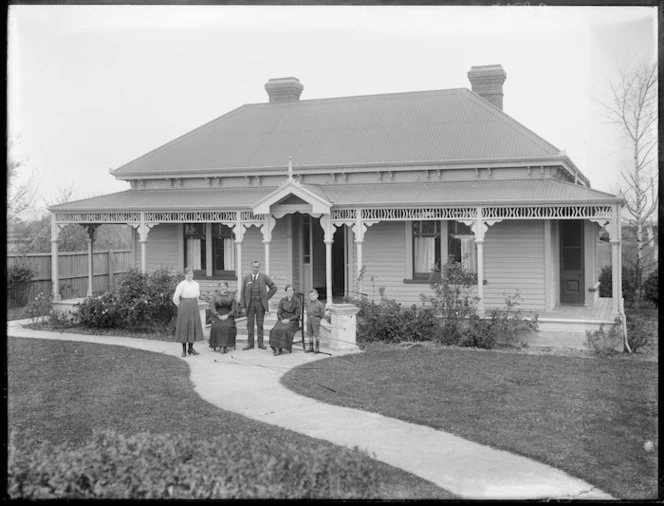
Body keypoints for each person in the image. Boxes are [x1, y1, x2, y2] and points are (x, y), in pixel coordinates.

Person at [239, 260, 277, 350]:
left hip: (260, 304)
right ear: (251, 267)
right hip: (250, 304)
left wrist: (265, 297)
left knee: (260, 324)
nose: (255, 268)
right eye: (254, 267)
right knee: (250, 324)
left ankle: (261, 343)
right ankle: (250, 344)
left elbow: (274, 288)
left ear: (259, 268)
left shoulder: (264, 277)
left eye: (257, 267)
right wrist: (243, 306)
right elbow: (242, 292)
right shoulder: (247, 278)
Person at [172, 267, 204, 357]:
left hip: (193, 305)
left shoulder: (196, 284)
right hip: (184, 307)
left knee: (192, 326)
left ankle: (191, 348)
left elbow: (197, 295)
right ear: (185, 275)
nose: (190, 275)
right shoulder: (181, 285)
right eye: (188, 274)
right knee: (184, 326)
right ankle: (184, 350)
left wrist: (192, 302)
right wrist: (181, 305)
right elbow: (175, 298)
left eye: (191, 274)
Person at [269, 285, 302, 355]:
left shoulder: (297, 301)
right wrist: (281, 319)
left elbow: (297, 314)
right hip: (283, 319)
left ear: (293, 292)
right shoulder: (282, 300)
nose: (290, 292)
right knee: (275, 329)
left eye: (291, 290)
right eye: (288, 290)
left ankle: (279, 347)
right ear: (286, 292)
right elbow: (279, 311)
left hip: (293, 320)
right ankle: (277, 347)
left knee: (285, 329)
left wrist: (289, 320)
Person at [209, 281, 237, 353]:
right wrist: (218, 316)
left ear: (227, 287)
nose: (223, 288)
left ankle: (225, 346)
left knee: (228, 325)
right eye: (221, 286)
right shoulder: (215, 296)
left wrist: (227, 315)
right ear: (219, 288)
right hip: (217, 315)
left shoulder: (231, 296)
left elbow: (234, 309)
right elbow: (212, 308)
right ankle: (220, 345)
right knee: (217, 326)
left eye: (224, 286)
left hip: (228, 315)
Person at [305, 288, 326, 354]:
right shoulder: (308, 304)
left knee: (316, 334)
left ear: (317, 295)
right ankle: (311, 347)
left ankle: (317, 347)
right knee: (309, 333)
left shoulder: (320, 304)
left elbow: (322, 314)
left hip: (316, 319)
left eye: (313, 295)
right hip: (309, 319)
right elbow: (307, 311)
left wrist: (317, 319)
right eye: (310, 296)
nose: (312, 297)